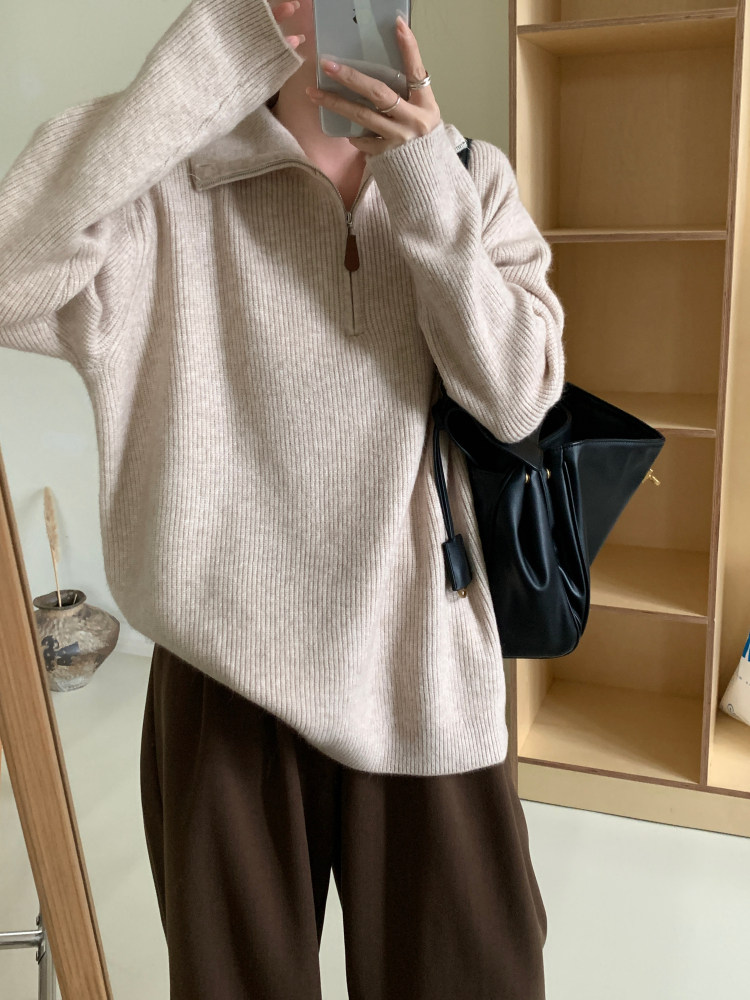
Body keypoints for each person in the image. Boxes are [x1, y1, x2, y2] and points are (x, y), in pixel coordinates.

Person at [0, 0, 565, 996]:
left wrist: (423, 186)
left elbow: (520, 399)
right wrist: (215, 51)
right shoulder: (162, 191)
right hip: (226, 674)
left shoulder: (470, 177)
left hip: (424, 664)